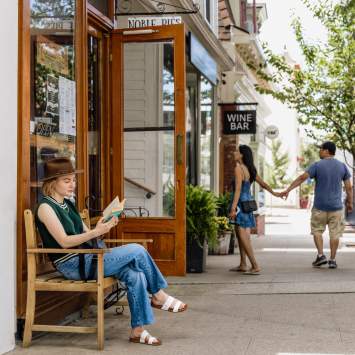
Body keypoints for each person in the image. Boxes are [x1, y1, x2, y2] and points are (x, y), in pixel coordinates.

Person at [35, 157, 187, 346]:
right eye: (67, 181)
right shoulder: (45, 207)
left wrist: (99, 227)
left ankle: (137, 331)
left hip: (89, 258)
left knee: (136, 275)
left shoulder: (69, 204)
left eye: (73, 180)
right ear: (52, 183)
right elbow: (64, 242)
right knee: (138, 250)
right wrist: (96, 232)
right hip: (73, 264)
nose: (72, 184)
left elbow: (86, 235)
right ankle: (157, 294)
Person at [281, 141, 353, 269]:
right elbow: (349, 187)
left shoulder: (317, 165)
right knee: (335, 234)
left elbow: (302, 178)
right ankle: (332, 259)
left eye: (321, 149)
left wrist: (288, 189)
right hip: (336, 207)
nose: (319, 151)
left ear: (326, 151)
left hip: (319, 206)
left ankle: (320, 256)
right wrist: (350, 203)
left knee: (317, 230)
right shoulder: (342, 166)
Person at [228, 145, 282, 275]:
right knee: (239, 234)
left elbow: (238, 190)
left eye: (237, 151)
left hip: (241, 204)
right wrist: (275, 193)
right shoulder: (250, 169)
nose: (234, 153)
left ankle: (255, 265)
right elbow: (263, 184)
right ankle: (243, 264)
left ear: (241, 155)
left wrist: (233, 208)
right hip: (248, 202)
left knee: (242, 235)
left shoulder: (238, 168)